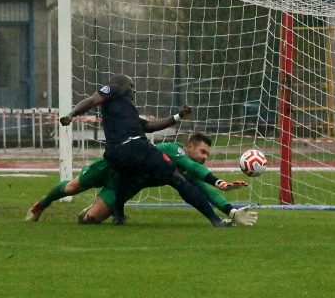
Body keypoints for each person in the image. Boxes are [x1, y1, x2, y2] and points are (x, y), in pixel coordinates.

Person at [57, 74, 234, 226]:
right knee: (176, 178)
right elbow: (91, 100)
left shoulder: (125, 113)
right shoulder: (114, 90)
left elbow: (149, 126)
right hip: (135, 147)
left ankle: (118, 216)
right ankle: (215, 220)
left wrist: (177, 116)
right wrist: (72, 114)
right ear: (120, 86)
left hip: (114, 154)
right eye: (131, 86)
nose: (134, 90)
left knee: (122, 181)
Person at [26, 133, 256, 226]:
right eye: (203, 152)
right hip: (109, 167)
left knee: (89, 220)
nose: (205, 158)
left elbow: (201, 190)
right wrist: (219, 181)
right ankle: (42, 204)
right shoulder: (172, 150)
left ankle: (93, 208)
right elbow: (190, 166)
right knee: (72, 186)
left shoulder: (181, 173)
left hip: (123, 183)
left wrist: (230, 211)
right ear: (188, 146)